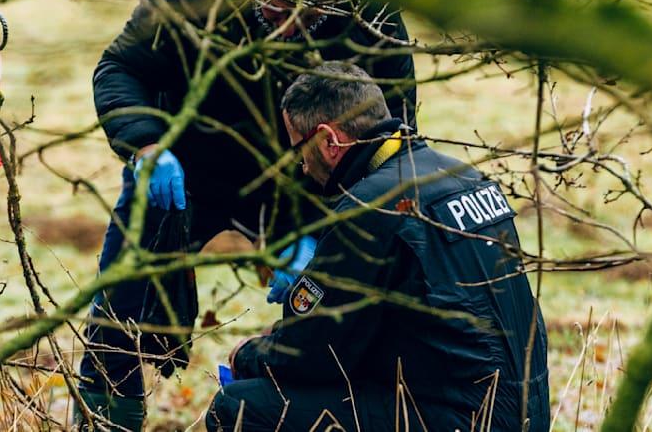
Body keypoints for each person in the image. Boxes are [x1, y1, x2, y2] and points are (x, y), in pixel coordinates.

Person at [77, 0, 416, 430]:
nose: (288, 28)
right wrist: (146, 146)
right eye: (275, 10)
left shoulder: (370, 9)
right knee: (122, 301)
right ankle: (106, 418)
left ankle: (307, 415)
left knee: (342, 308)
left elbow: (392, 136)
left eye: (308, 17)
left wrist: (325, 229)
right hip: (182, 170)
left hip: (309, 184)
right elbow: (121, 68)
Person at [206, 63, 549, 431]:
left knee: (237, 407)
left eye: (300, 151)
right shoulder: (464, 176)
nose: (303, 167)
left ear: (329, 141)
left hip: (459, 417)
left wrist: (249, 354)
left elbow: (313, 356)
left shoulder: (369, 207)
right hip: (521, 414)